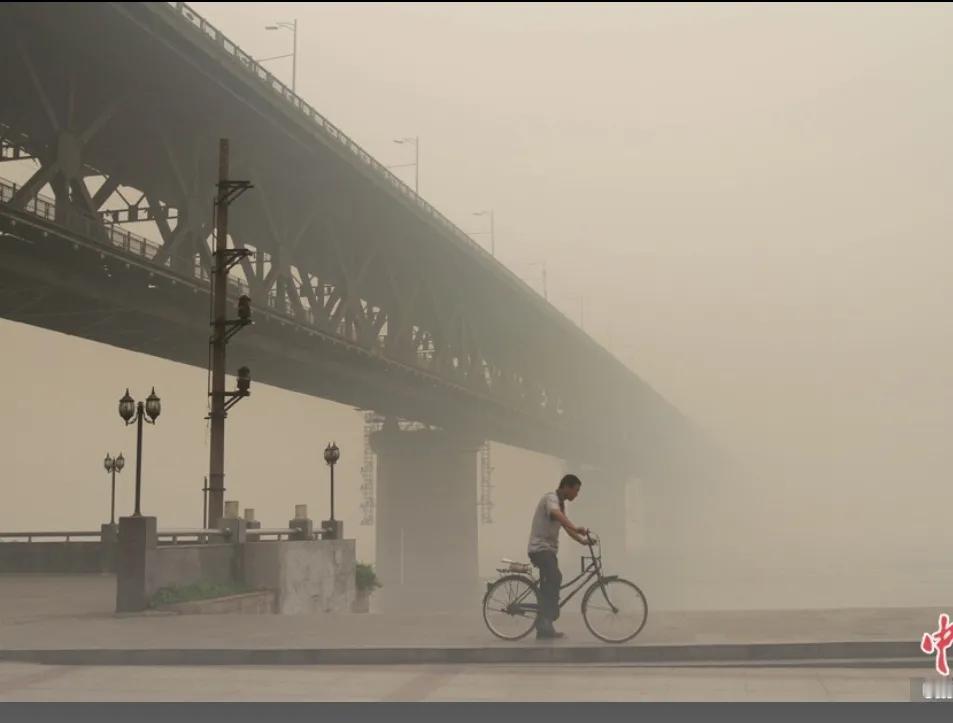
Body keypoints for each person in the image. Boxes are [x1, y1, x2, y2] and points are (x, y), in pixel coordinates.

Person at [527, 473, 589, 639]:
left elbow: (566, 527)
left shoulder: (561, 504)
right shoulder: (551, 499)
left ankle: (544, 628)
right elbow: (558, 516)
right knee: (555, 577)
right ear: (566, 487)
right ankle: (549, 616)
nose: (577, 494)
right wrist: (576, 527)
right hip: (540, 549)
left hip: (549, 551)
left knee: (549, 583)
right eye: (576, 490)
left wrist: (582, 541)